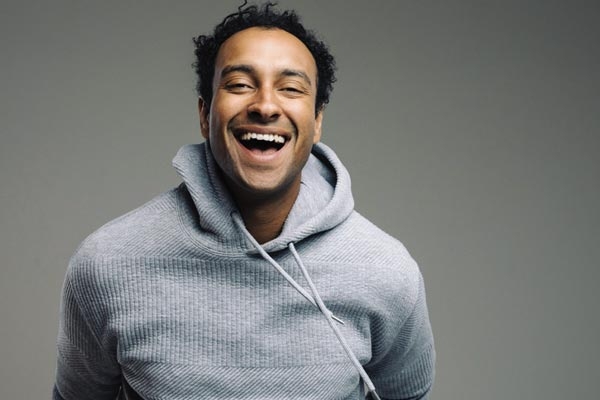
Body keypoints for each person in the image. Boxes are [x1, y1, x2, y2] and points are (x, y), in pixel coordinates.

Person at [53, 2, 435, 399]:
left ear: (317, 120)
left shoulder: (386, 272)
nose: (265, 106)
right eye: (239, 84)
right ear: (205, 114)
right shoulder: (108, 263)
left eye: (291, 88)